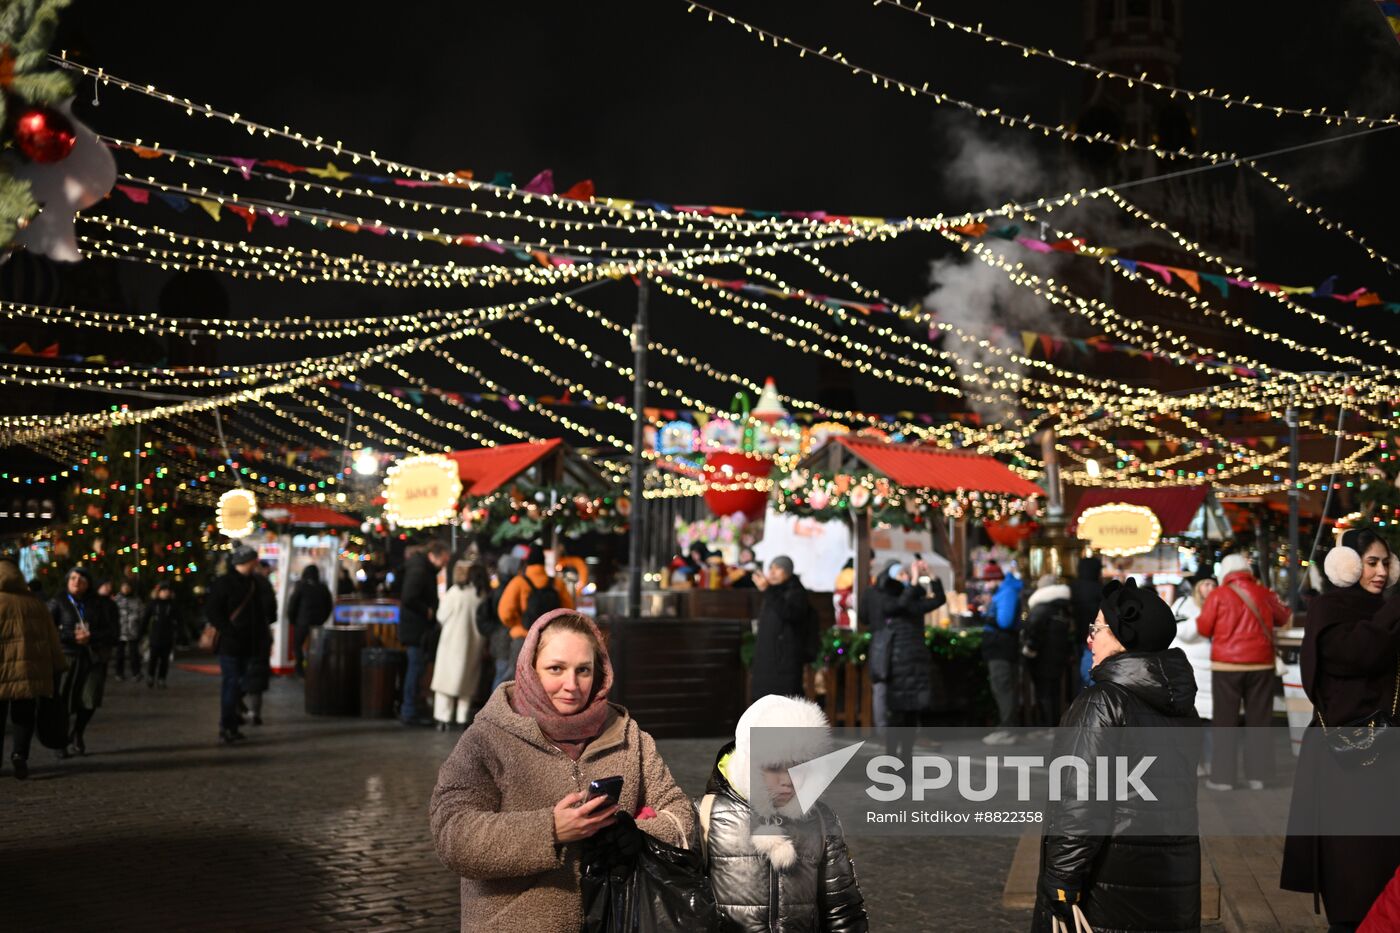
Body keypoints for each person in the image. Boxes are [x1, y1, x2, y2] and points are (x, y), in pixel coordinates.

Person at [429, 609, 693, 932]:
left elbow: (681, 816)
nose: (572, 685)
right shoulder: (488, 737)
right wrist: (550, 830)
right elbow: (452, 834)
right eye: (556, 668)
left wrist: (637, 836)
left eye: (583, 670)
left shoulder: (628, 735)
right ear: (530, 669)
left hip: (616, 921)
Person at [1032, 578, 1201, 932]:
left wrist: (1061, 881)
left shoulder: (1102, 703)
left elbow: (1080, 801)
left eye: (1097, 627)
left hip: (1109, 885)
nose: (1089, 637)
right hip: (1172, 879)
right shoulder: (1180, 705)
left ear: (1125, 636)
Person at [1281, 526, 1400, 929]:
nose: (1381, 571)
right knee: (1352, 865)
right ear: (1348, 566)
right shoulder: (1330, 609)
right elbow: (1357, 654)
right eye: (1371, 562)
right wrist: (1392, 610)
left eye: (1386, 562)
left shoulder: (1387, 610)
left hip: (1389, 757)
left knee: (1384, 861)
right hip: (1345, 758)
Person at [696, 694, 868, 932]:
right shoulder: (707, 815)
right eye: (774, 767)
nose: (788, 781)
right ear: (750, 764)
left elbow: (842, 910)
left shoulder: (821, 821)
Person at [1196, 552, 1290, 790]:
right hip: (1261, 665)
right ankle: (1259, 776)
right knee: (1259, 721)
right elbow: (1283, 616)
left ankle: (1223, 778)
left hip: (1226, 666)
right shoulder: (1264, 593)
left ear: (1224, 572)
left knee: (1224, 722)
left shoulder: (1218, 595)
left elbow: (1204, 627)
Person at [865, 559, 946, 759]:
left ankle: (906, 761)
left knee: (911, 714)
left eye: (906, 574)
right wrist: (913, 583)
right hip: (895, 662)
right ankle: (891, 760)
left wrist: (932, 576)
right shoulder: (884, 596)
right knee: (896, 716)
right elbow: (899, 604)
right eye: (900, 575)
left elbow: (938, 600)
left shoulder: (913, 599)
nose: (905, 578)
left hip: (915, 662)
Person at [0, 559, 68, 779]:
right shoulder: (34, 603)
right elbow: (52, 638)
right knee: (23, 715)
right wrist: (58, 665)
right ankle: (20, 754)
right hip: (29, 672)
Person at [205, 546, 274, 744]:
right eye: (254, 560)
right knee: (232, 683)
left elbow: (263, 613)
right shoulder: (224, 583)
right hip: (231, 645)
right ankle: (227, 726)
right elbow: (213, 611)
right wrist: (229, 631)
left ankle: (233, 719)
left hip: (251, 644)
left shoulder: (256, 582)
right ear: (247, 561)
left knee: (241, 683)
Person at [49, 565, 117, 757]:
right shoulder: (58, 602)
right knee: (63, 701)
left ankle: (77, 732)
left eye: (81, 579)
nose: (76, 582)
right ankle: (60, 741)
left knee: (90, 698)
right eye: (73, 578)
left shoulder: (98, 604)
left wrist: (92, 636)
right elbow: (47, 629)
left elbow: (111, 631)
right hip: (67, 656)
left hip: (92, 656)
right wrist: (70, 636)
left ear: (88, 584)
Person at [496, 544, 574, 692]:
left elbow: (505, 613)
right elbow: (569, 610)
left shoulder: (519, 582)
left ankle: (515, 714)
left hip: (523, 638)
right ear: (543, 563)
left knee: (517, 681)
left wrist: (517, 625)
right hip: (551, 640)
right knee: (546, 681)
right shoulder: (557, 583)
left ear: (528, 563)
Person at [431, 562, 489, 730]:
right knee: (467, 681)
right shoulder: (481, 594)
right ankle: (462, 718)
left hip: (451, 642)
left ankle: (443, 718)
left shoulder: (455, 593)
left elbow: (441, 616)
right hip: (473, 643)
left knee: (445, 681)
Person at [750, 556, 816, 702]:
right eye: (771, 568)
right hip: (767, 661)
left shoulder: (797, 592)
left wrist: (767, 590)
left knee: (785, 706)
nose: (772, 572)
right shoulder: (773, 592)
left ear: (788, 572)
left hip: (785, 663)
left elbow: (790, 613)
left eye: (778, 568)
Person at [400, 540, 451, 726]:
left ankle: (411, 708)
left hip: (416, 628)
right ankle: (409, 711)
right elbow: (408, 597)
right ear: (434, 555)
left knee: (416, 669)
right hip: (416, 629)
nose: (445, 565)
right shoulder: (420, 570)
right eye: (444, 561)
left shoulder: (422, 568)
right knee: (415, 669)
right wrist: (427, 611)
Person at [1022, 574, 1074, 729]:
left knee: (1044, 693)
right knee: (1056, 692)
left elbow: (1034, 633)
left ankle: (1047, 726)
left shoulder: (1041, 608)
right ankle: (1056, 724)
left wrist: (1029, 649)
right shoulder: (1064, 607)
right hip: (1059, 656)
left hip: (1043, 657)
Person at [982, 565, 1024, 745]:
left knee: (1003, 688)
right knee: (1003, 687)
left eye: (989, 580)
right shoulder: (1005, 591)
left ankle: (1007, 730)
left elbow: (1004, 621)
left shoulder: (1006, 592)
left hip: (1001, 647)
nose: (987, 584)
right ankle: (1007, 727)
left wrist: (987, 616)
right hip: (1001, 646)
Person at [286, 564, 333, 677]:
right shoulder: (323, 587)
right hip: (318, 623)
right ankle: (316, 668)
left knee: (298, 645)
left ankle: (299, 668)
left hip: (302, 622)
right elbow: (329, 605)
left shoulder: (300, 586)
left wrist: (292, 619)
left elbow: (293, 605)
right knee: (317, 646)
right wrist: (323, 619)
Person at [486, 554, 522, 692]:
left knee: (502, 673)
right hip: (505, 637)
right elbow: (505, 615)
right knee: (503, 676)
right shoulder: (510, 588)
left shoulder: (498, 587)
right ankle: (493, 711)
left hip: (499, 637)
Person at [1070, 555, 1104, 692]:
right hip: (1094, 638)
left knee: (1078, 674)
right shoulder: (1101, 590)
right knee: (1092, 674)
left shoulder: (1073, 588)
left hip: (1076, 637)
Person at [142, 582, 181, 688]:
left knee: (164, 660)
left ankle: (161, 678)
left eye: (167, 591)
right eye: (163, 591)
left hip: (168, 635)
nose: (165, 593)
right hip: (155, 635)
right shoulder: (153, 604)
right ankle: (150, 676)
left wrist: (179, 632)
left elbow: (179, 619)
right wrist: (142, 632)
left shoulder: (172, 604)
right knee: (153, 658)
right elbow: (145, 618)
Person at [112, 578, 144, 682]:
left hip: (132, 631)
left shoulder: (136, 600)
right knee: (119, 655)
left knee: (134, 654)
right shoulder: (116, 600)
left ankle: (136, 673)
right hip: (120, 631)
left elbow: (141, 614)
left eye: (128, 586)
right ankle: (119, 673)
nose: (126, 589)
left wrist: (138, 626)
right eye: (124, 586)